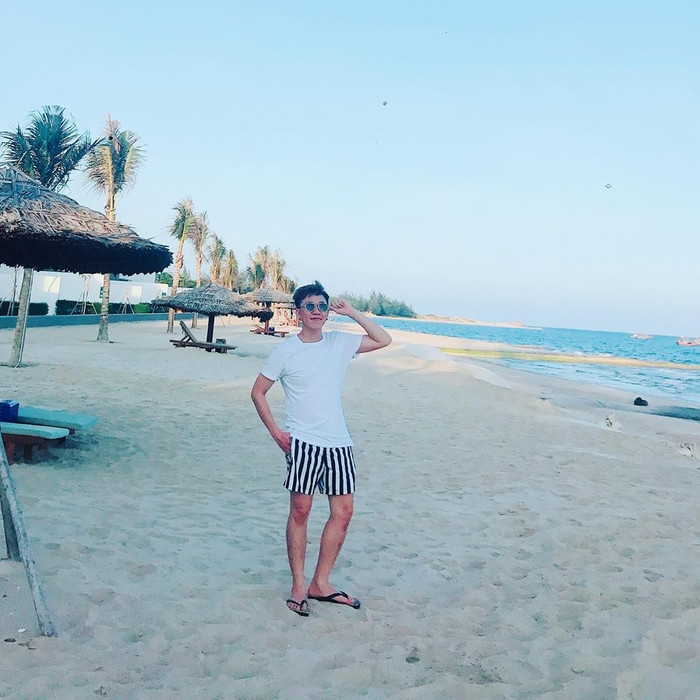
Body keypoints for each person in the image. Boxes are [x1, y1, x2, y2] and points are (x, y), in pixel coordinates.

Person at [251, 281, 392, 616]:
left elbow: (383, 339)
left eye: (322, 306)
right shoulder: (285, 351)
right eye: (310, 306)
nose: (317, 312)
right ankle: (299, 585)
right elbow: (258, 392)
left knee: (343, 513)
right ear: (298, 312)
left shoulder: (339, 343)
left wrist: (352, 312)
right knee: (301, 511)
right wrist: (276, 433)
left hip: (339, 443)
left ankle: (321, 583)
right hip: (303, 441)